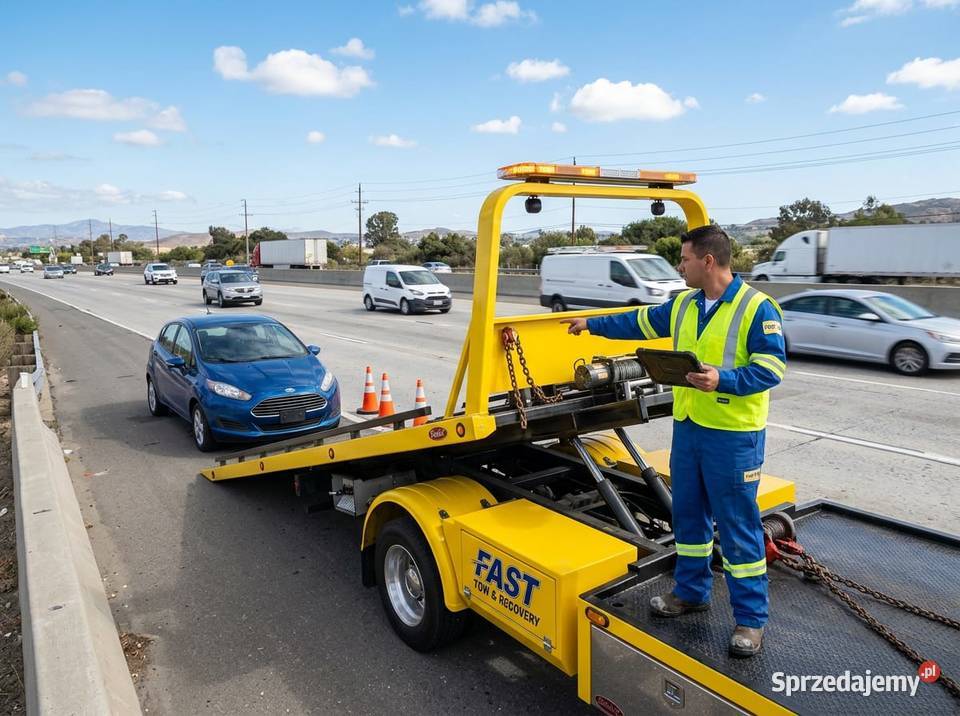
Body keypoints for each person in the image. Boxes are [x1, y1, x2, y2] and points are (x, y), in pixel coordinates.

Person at [561, 225, 786, 658]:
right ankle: (690, 593)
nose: (679, 266)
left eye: (683, 260)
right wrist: (591, 324)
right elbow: (639, 321)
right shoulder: (684, 304)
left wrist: (724, 378)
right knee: (688, 519)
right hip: (689, 428)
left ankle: (751, 621)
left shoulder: (757, 308)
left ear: (707, 261)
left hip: (734, 437)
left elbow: (772, 368)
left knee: (738, 529)